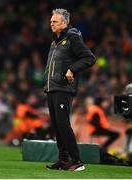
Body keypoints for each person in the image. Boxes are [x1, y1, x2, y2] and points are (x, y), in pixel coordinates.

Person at [43, 8, 96, 171]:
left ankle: (77, 161)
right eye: (51, 21)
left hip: (63, 88)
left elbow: (89, 58)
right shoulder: (55, 41)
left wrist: (72, 69)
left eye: (55, 21)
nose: (51, 24)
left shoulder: (72, 37)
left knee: (63, 124)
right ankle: (63, 160)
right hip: (51, 88)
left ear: (64, 23)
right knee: (57, 125)